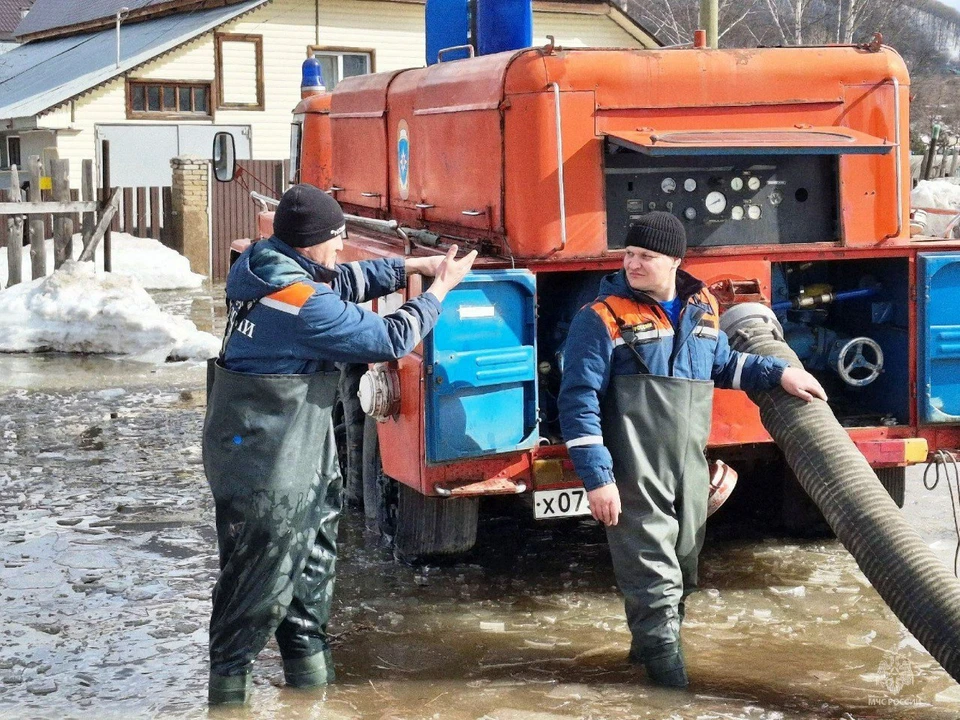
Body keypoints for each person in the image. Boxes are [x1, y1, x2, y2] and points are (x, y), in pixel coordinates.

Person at [202, 183, 477, 705]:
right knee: (254, 589)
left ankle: (311, 698)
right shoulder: (299, 305)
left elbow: (339, 279)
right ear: (313, 243)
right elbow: (388, 339)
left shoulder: (266, 266)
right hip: (266, 465)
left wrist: (409, 269)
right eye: (337, 238)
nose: (340, 247)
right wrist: (440, 290)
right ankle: (226, 701)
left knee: (308, 585)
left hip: (290, 453)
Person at [557, 211, 826, 688]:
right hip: (634, 477)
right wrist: (598, 479)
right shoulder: (600, 319)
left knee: (680, 577)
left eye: (646, 256)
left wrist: (781, 373)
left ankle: (641, 672)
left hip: (688, 475)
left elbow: (723, 364)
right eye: (629, 254)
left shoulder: (701, 308)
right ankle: (673, 699)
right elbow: (578, 401)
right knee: (655, 587)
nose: (632, 264)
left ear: (676, 261)